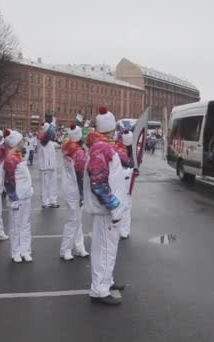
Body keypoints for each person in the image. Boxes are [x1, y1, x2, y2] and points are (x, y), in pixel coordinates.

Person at [84, 107, 127, 306]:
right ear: (110, 127)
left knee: (110, 247)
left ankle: (106, 281)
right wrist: (114, 206)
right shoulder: (100, 148)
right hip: (106, 211)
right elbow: (99, 183)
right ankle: (99, 289)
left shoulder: (103, 146)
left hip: (111, 210)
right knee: (103, 248)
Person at [3, 129, 34, 263]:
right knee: (15, 225)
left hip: (26, 195)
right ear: (16, 142)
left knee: (25, 224)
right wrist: (13, 197)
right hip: (17, 197)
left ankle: (25, 250)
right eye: (21, 140)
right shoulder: (11, 159)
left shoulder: (19, 155)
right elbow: (8, 180)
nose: (24, 141)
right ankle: (15, 252)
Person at [59, 124, 89, 261]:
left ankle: (79, 246)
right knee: (73, 220)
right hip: (75, 190)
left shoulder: (68, 148)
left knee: (77, 219)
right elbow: (82, 173)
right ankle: (66, 249)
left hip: (70, 188)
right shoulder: (78, 153)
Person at [114, 129, 134, 239]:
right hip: (125, 177)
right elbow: (129, 163)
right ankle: (124, 230)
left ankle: (120, 228)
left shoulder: (116, 147)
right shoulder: (123, 151)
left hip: (117, 178)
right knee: (126, 204)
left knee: (120, 202)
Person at [36, 118, 59, 208]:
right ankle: (45, 202)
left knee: (53, 184)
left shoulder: (49, 142)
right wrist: (53, 123)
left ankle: (53, 200)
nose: (53, 133)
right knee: (45, 185)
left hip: (52, 166)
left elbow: (56, 144)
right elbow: (49, 133)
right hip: (45, 167)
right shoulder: (42, 139)